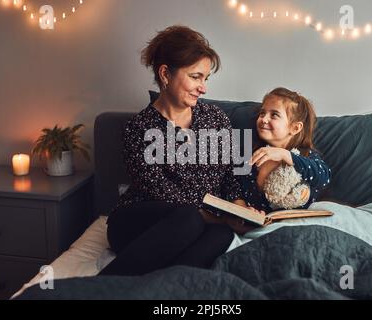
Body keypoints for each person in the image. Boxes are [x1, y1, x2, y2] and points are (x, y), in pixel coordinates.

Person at [99, 25, 260, 277]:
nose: (203, 87)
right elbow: (167, 196)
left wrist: (239, 209)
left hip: (202, 222)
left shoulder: (215, 118)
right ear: (165, 74)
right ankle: (104, 286)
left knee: (222, 234)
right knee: (189, 218)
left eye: (206, 78)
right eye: (196, 77)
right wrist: (222, 216)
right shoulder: (138, 129)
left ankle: (162, 288)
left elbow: (231, 175)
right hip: (140, 223)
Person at [239, 87, 332, 213]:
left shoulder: (304, 154)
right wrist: (243, 207)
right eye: (262, 113)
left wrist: (285, 155)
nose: (264, 119)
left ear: (295, 128)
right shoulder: (251, 151)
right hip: (253, 219)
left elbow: (324, 176)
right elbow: (234, 184)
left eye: (274, 115)